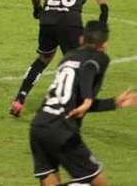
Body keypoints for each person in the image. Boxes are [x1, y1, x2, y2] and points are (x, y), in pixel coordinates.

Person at [10, 0, 109, 117]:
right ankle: (72, 105)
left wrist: (37, 8)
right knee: (79, 63)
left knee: (44, 58)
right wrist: (103, 7)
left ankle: (19, 99)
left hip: (48, 19)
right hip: (70, 20)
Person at [29, 20, 137, 186]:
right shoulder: (100, 58)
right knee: (98, 182)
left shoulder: (67, 58)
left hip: (39, 125)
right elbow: (89, 69)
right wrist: (88, 98)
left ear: (82, 39)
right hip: (62, 129)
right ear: (104, 44)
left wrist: (114, 103)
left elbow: (76, 105)